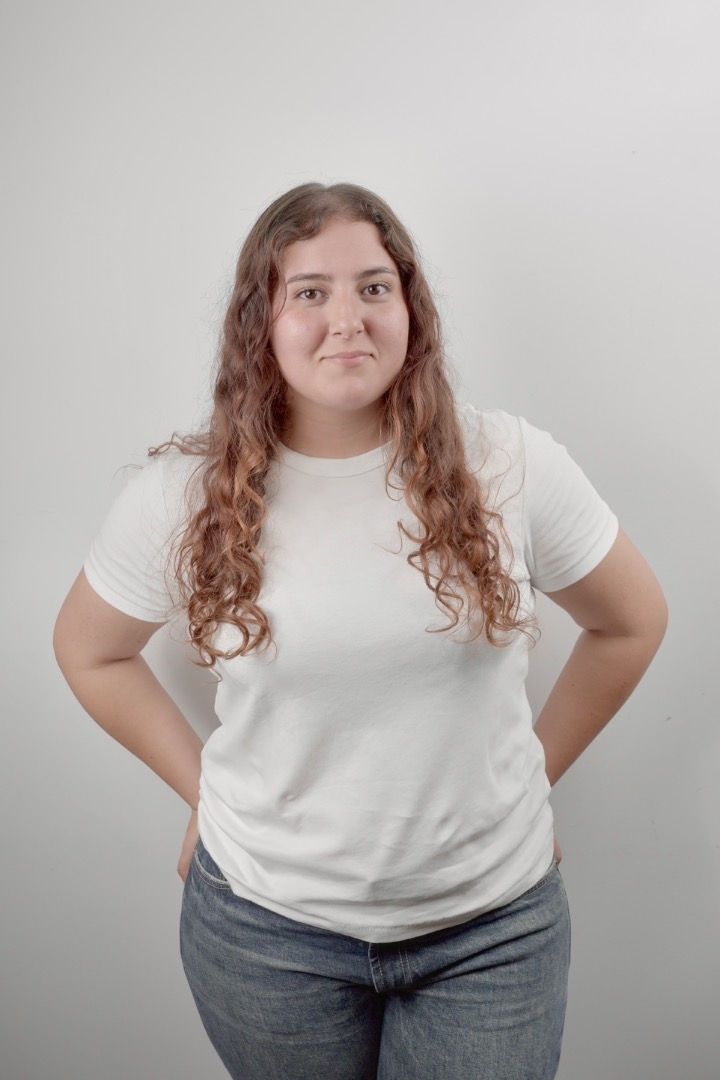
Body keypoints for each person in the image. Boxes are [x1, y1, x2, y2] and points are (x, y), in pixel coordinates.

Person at [53, 182, 667, 1080]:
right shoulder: (183, 496)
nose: (348, 319)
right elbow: (89, 650)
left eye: (375, 287)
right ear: (260, 320)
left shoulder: (509, 463)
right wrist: (203, 793)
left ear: (410, 307)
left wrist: (531, 779)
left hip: (494, 932)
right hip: (266, 938)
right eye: (310, 291)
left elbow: (632, 622)